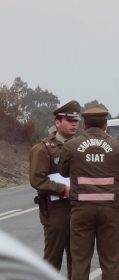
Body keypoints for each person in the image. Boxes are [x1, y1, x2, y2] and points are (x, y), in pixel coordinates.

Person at [58, 105, 119, 280]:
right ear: (105, 125)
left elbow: (63, 172)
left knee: (80, 260)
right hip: (110, 210)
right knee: (111, 261)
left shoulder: (71, 146)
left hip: (81, 210)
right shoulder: (116, 147)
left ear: (84, 125)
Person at [29, 100, 81, 280]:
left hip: (77, 209)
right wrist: (63, 189)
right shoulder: (43, 148)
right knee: (53, 259)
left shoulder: (78, 147)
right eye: (69, 120)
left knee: (77, 260)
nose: (74, 124)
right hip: (55, 210)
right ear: (57, 123)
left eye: (76, 120)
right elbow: (37, 180)